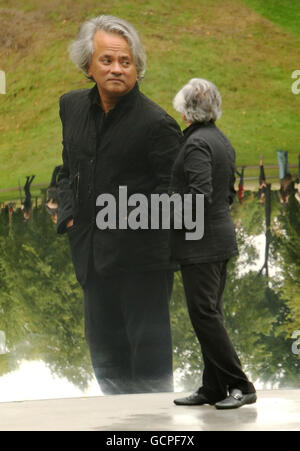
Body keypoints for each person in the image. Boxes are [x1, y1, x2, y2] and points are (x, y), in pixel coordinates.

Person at [57, 15, 181, 395]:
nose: (116, 69)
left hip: (142, 265)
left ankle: (154, 433)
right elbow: (67, 169)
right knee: (106, 363)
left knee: (149, 370)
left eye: (125, 62)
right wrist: (69, 215)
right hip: (92, 261)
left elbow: (179, 198)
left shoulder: (157, 124)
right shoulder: (71, 107)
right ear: (88, 65)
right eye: (107, 60)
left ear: (137, 68)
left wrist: (122, 217)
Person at [169, 78, 256, 409]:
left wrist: (166, 209)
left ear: (185, 109)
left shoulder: (195, 144)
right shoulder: (220, 140)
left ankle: (240, 384)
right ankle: (213, 387)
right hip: (217, 240)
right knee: (209, 313)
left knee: (204, 314)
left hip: (201, 245)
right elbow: (227, 192)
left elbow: (200, 196)